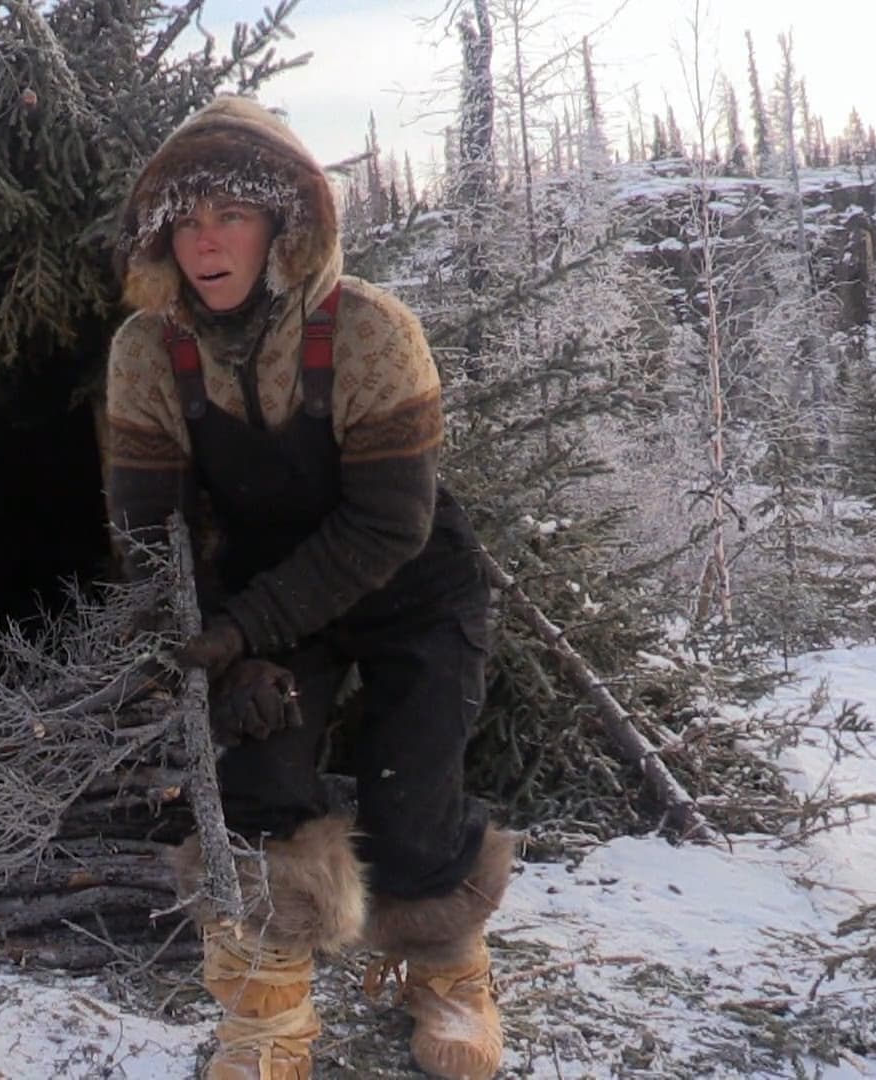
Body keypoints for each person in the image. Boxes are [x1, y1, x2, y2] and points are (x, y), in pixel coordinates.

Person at [101, 96, 516, 1080]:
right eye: (185, 222)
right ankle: (267, 1021)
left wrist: (243, 626)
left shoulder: (370, 331)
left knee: (413, 797)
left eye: (231, 216)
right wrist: (218, 654)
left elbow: (388, 525)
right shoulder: (147, 353)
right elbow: (152, 538)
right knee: (257, 792)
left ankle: (449, 976)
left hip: (412, 584)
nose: (206, 242)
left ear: (283, 225)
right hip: (269, 593)